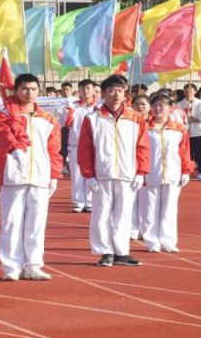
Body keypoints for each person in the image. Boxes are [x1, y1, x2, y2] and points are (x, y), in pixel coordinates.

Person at [0, 73, 62, 281]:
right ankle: (11, 267)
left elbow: (54, 149)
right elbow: (3, 137)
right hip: (13, 175)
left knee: (36, 223)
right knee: (12, 222)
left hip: (40, 175)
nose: (29, 93)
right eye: (24, 89)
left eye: (33, 89)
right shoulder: (3, 115)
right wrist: (15, 151)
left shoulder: (48, 119)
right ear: (16, 90)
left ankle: (33, 264)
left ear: (38, 90)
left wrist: (54, 174)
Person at [78, 75, 150, 267]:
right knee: (101, 214)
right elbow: (84, 149)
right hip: (102, 174)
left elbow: (142, 146)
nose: (116, 94)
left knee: (124, 213)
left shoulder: (136, 118)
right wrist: (88, 175)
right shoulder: (92, 119)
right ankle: (105, 252)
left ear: (125, 91)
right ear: (103, 93)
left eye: (119, 90)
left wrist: (141, 171)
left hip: (127, 173)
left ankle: (121, 252)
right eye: (111, 90)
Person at [140, 94, 192, 253]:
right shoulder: (143, 127)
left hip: (173, 174)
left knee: (169, 210)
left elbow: (184, 151)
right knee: (149, 210)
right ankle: (152, 242)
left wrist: (186, 170)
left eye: (162, 105)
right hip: (150, 174)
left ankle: (168, 241)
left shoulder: (179, 128)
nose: (158, 108)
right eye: (155, 105)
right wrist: (140, 171)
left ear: (170, 108)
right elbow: (139, 150)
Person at [62, 79, 100, 213]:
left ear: (93, 90)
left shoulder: (99, 107)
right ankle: (78, 201)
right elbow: (65, 124)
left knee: (91, 174)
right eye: (83, 89)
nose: (85, 91)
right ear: (79, 91)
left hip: (94, 146)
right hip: (75, 145)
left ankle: (89, 201)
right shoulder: (73, 107)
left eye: (88, 88)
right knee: (77, 175)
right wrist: (68, 111)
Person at [177, 84, 201, 181]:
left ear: (194, 92)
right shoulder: (179, 105)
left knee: (199, 152)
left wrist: (195, 119)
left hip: (197, 132)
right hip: (184, 133)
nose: (188, 93)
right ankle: (185, 171)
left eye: (190, 91)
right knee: (185, 153)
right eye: (186, 91)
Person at [130, 94, 151, 240]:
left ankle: (146, 229)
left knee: (148, 202)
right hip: (132, 165)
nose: (140, 107)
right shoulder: (128, 122)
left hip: (151, 166)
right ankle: (132, 229)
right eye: (137, 104)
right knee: (132, 200)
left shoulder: (156, 123)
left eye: (144, 104)